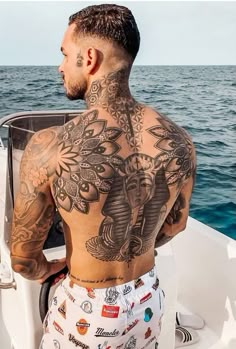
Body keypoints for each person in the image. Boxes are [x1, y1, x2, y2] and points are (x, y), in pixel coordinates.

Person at [10, 4, 196, 348]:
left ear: (90, 58)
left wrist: (46, 271)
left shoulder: (49, 145)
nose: (60, 66)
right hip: (147, 299)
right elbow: (175, 225)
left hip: (88, 312)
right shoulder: (179, 140)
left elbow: (22, 258)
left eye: (66, 54)